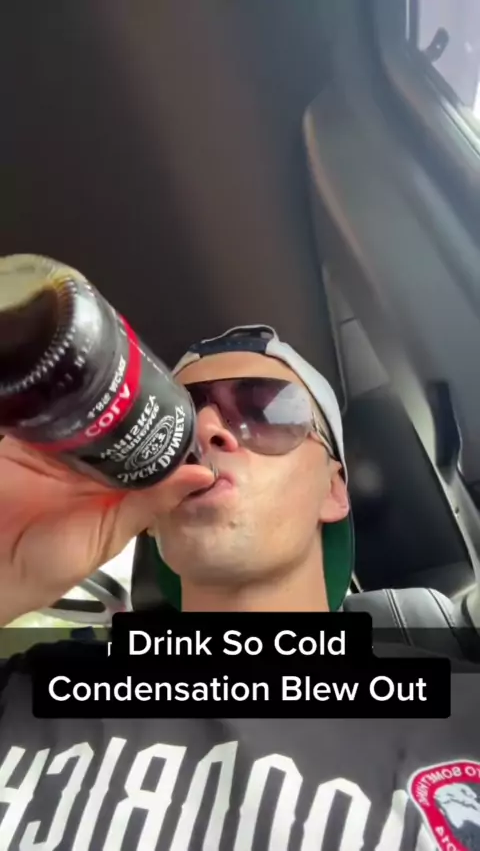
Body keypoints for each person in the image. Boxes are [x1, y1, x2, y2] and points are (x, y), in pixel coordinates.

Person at [0, 324, 478, 851]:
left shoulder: (460, 713)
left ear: (333, 490)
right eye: (177, 422)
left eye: (267, 410)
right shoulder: (27, 694)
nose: (207, 431)